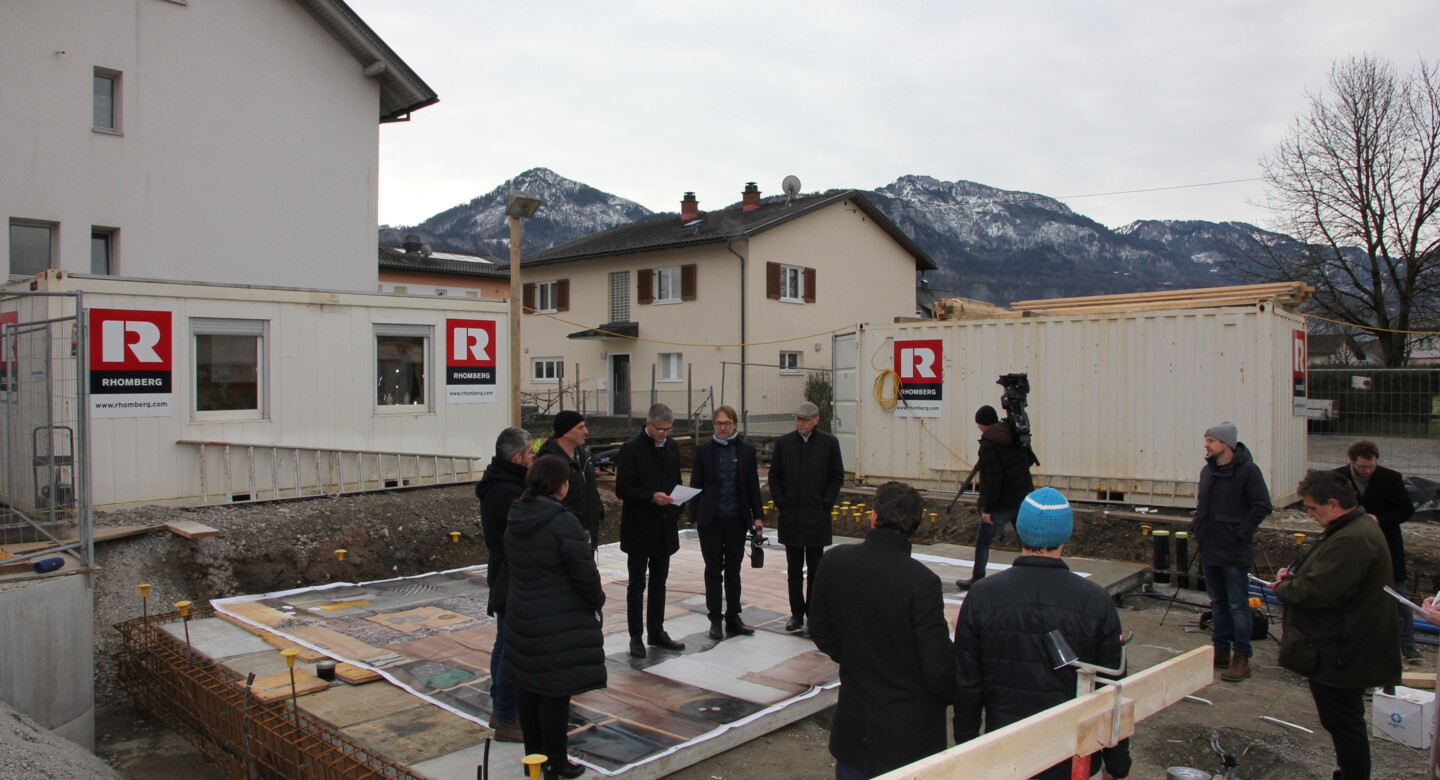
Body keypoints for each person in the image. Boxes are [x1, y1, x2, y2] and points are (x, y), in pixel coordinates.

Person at [952, 487, 1131, 780]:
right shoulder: (1095, 601)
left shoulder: (982, 596)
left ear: (1020, 532)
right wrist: (1118, 766)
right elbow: (1111, 690)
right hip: (1072, 758)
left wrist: (967, 747)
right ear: (1066, 535)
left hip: (1004, 755)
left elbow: (967, 683)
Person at [809, 481, 953, 779]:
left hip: (854, 724)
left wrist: (854, 657)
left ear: (874, 516)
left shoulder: (835, 560)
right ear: (915, 526)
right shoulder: (921, 583)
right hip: (906, 733)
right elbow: (937, 666)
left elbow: (821, 630)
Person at [1273, 470, 1400, 780]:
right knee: (1341, 721)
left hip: (1343, 650)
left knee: (1344, 722)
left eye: (1312, 508)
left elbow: (1318, 591)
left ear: (1333, 504)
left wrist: (1284, 589)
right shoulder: (1351, 528)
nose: (1309, 514)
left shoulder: (1353, 538)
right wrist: (1297, 577)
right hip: (1344, 644)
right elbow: (1328, 576)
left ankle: (1352, 775)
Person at [503, 455, 606, 780]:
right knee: (555, 692)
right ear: (560, 485)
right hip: (557, 619)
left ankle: (534, 759)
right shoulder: (562, 521)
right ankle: (556, 762)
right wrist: (597, 601)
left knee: (529, 687)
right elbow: (584, 574)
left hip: (523, 615)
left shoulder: (518, 513)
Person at [1191, 420, 1271, 682]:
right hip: (1210, 548)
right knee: (1218, 603)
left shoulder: (1248, 471)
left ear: (1226, 443)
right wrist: (1198, 528)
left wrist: (1240, 532)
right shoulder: (1208, 472)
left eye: (1211, 440)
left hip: (1234, 551)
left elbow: (1262, 505)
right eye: (1207, 440)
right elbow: (1202, 505)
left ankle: (1242, 657)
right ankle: (1220, 650)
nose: (1206, 445)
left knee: (1238, 605)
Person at [1334, 440, 1419, 664]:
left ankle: (1408, 645)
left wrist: (1380, 519)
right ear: (1352, 461)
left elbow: (1406, 509)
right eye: (1363, 467)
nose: (1368, 471)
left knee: (1398, 594)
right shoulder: (1338, 478)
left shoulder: (1390, 478)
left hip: (1387, 542)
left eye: (1371, 466)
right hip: (1351, 545)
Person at [475, 426, 532, 743]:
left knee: (504, 642)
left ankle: (502, 709)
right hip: (509, 575)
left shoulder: (503, 482)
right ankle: (508, 717)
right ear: (518, 458)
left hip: (504, 572)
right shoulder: (506, 491)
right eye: (530, 454)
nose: (534, 459)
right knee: (511, 647)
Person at [768, 401, 845, 633]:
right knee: (794, 570)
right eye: (798, 419)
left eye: (804, 420)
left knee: (815, 570)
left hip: (816, 516)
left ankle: (814, 613)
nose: (800, 423)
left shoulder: (828, 444)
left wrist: (825, 503)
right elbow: (774, 476)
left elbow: (836, 476)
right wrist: (782, 502)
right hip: (791, 515)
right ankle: (796, 614)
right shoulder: (784, 443)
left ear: (815, 421)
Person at [616, 403, 686, 659]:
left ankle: (656, 631)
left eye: (668, 429)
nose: (664, 434)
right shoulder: (631, 448)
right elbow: (622, 488)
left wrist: (678, 501)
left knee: (659, 582)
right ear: (648, 424)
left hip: (664, 526)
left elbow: (676, 480)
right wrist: (650, 497)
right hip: (639, 526)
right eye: (660, 429)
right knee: (637, 584)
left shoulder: (671, 446)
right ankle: (636, 636)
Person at [690, 405, 764, 641]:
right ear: (714, 424)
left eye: (727, 423)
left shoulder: (746, 451)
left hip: (736, 521)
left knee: (734, 570)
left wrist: (758, 517)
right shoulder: (703, 450)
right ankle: (715, 618)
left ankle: (733, 616)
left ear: (735, 425)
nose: (723, 428)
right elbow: (695, 485)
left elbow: (752, 485)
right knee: (713, 570)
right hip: (710, 521)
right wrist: (695, 517)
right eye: (719, 423)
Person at [957, 404, 1034, 590]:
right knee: (1027, 541)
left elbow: (993, 479)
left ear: (982, 424)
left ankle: (977, 578)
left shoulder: (989, 445)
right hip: (1023, 496)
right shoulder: (1014, 433)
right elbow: (1029, 460)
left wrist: (988, 509)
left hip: (1002, 502)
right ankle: (1033, 575)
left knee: (984, 540)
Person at [538, 410, 604, 551]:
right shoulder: (549, 461)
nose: (586, 431)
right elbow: (546, 500)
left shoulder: (583, 455)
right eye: (580, 427)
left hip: (587, 533)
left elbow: (590, 487)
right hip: (564, 537)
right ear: (566, 432)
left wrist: (597, 509)